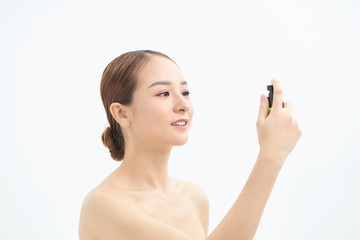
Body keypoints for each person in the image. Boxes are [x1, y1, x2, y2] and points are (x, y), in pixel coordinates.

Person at [78, 50, 302, 240]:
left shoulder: (195, 198)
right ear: (122, 113)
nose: (183, 104)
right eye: (163, 93)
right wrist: (271, 157)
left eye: (185, 92)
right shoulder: (102, 206)